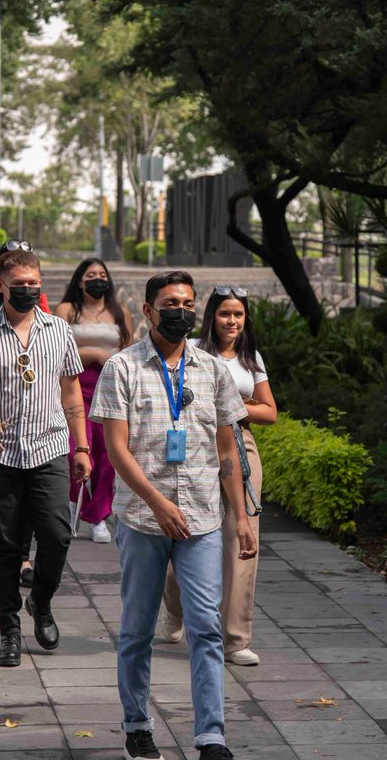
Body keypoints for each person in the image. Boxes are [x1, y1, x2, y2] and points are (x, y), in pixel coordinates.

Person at [89, 271, 257, 760]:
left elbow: (227, 448)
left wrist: (241, 516)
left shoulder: (211, 369)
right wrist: (158, 503)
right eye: (169, 303)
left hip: (203, 516)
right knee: (137, 627)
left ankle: (211, 736)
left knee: (205, 625)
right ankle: (138, 726)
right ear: (148, 311)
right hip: (143, 519)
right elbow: (117, 450)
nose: (180, 310)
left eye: (187, 302)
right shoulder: (122, 368)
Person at [0, 249, 90, 667]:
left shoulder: (59, 330)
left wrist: (81, 446)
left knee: (57, 535)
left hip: (49, 447)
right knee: (5, 547)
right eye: (19, 285)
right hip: (2, 453)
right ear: (1, 286)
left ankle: (41, 601)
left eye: (34, 284)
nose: (28, 290)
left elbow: (71, 394)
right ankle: (9, 628)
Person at [159, 286, 277, 668]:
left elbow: (270, 412)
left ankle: (236, 638)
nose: (232, 321)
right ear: (211, 317)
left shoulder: (250, 358)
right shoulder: (190, 350)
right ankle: (173, 606)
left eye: (239, 315)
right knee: (186, 532)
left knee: (242, 537)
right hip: (194, 445)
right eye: (226, 314)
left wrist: (233, 405)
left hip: (241, 447)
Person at [55, 258, 133, 544]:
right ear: (79, 280)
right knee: (77, 448)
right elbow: (58, 348)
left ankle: (98, 514)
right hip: (77, 384)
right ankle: (75, 500)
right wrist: (93, 354)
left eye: (102, 274)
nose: (97, 278)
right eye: (91, 274)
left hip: (112, 387)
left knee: (108, 453)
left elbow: (127, 349)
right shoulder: (67, 309)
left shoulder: (120, 311)